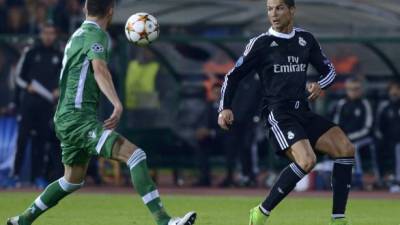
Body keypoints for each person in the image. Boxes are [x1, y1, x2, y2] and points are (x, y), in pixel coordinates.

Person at [7, 1, 196, 225]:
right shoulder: (96, 36)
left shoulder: (77, 34)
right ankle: (165, 221)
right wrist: (117, 102)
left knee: (71, 180)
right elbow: (99, 68)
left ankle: (23, 220)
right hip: (77, 118)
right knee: (136, 156)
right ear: (111, 11)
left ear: (86, 9)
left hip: (67, 116)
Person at [218, 0, 355, 224]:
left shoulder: (306, 39)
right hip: (278, 114)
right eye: (269, 9)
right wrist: (224, 107)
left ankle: (338, 219)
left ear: (292, 11)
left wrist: (321, 85)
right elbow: (232, 76)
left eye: (279, 8)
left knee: (345, 148)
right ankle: (261, 212)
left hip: (303, 112)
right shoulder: (260, 43)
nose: (273, 13)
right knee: (307, 161)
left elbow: (329, 70)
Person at [12, 22, 62, 189]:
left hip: (46, 105)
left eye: (51, 33)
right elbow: (18, 76)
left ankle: (37, 176)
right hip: (28, 104)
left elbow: (64, 78)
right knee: (22, 139)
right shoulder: (31, 53)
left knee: (42, 142)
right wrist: (27, 86)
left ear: (55, 35)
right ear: (41, 34)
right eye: (45, 32)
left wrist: (58, 90)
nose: (48, 36)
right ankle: (15, 175)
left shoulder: (59, 55)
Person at [333, 77, 380, 189]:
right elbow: (336, 123)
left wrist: (350, 137)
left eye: (356, 89)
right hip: (344, 138)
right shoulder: (342, 104)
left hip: (363, 139)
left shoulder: (365, 104)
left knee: (353, 147)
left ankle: (358, 179)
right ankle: (339, 179)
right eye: (350, 89)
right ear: (346, 89)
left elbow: (368, 127)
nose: (353, 92)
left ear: (361, 90)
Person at [375, 79, 400, 193]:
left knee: (398, 148)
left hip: (397, 142)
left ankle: (397, 180)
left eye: (397, 90)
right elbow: (379, 126)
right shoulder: (385, 106)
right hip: (388, 140)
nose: (394, 92)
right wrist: (382, 139)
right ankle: (382, 179)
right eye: (392, 90)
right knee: (376, 147)